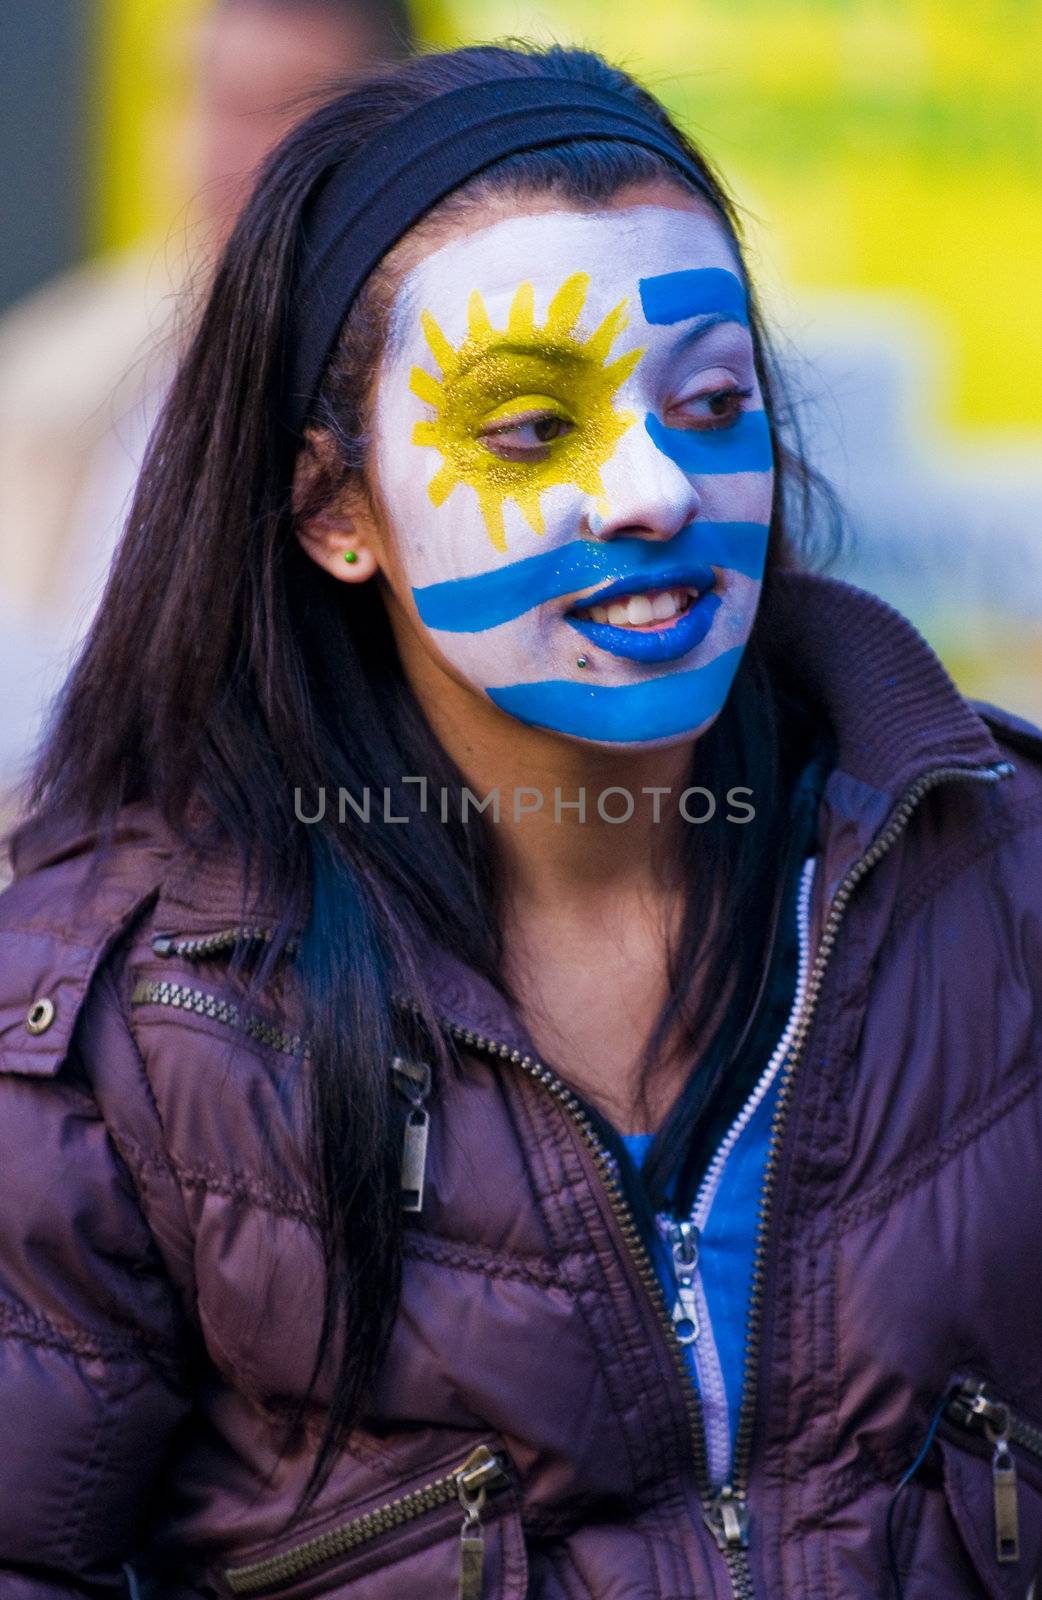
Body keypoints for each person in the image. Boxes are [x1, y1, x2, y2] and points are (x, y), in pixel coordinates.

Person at [0, 42, 1040, 1600]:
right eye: (529, 430)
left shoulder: (1004, 882)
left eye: (707, 405)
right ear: (333, 513)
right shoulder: (134, 1015)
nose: (655, 493)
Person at [0, 0, 415, 830]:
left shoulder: (449, 386)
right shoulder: (55, 373)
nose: (242, 158)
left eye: (290, 114)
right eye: (221, 104)